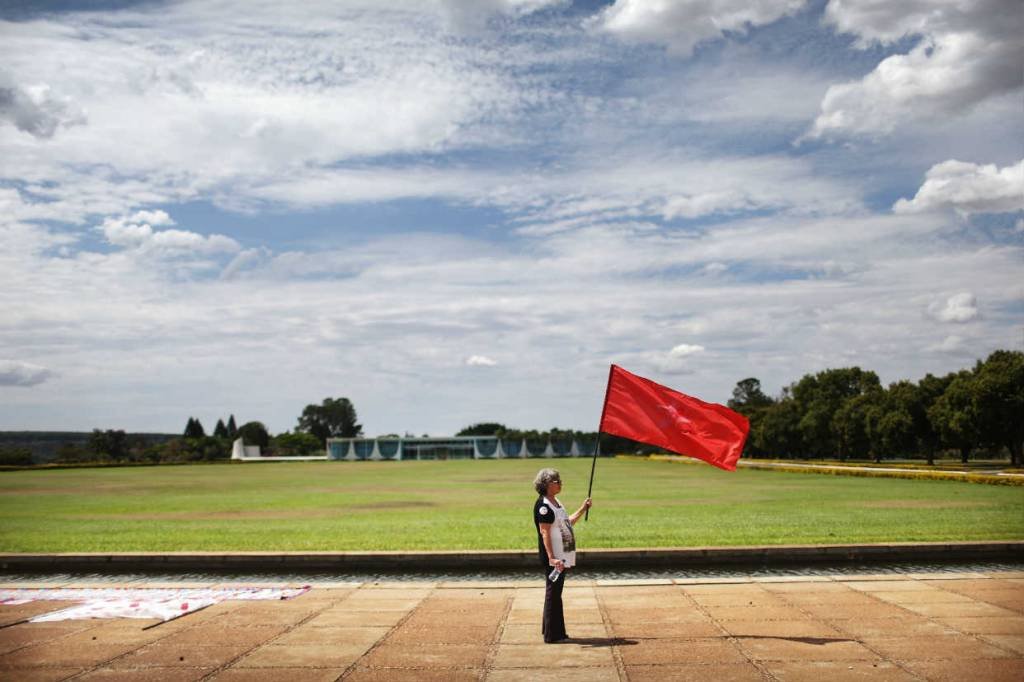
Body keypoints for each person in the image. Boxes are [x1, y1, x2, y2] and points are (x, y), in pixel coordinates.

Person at [533, 467, 592, 643]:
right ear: (547, 485)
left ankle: (553, 631)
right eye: (556, 481)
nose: (560, 483)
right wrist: (552, 557)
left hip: (562, 555)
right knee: (553, 594)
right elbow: (544, 533)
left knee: (555, 593)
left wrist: (582, 508)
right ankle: (552, 635)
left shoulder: (556, 501)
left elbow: (567, 522)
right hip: (555, 558)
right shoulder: (544, 506)